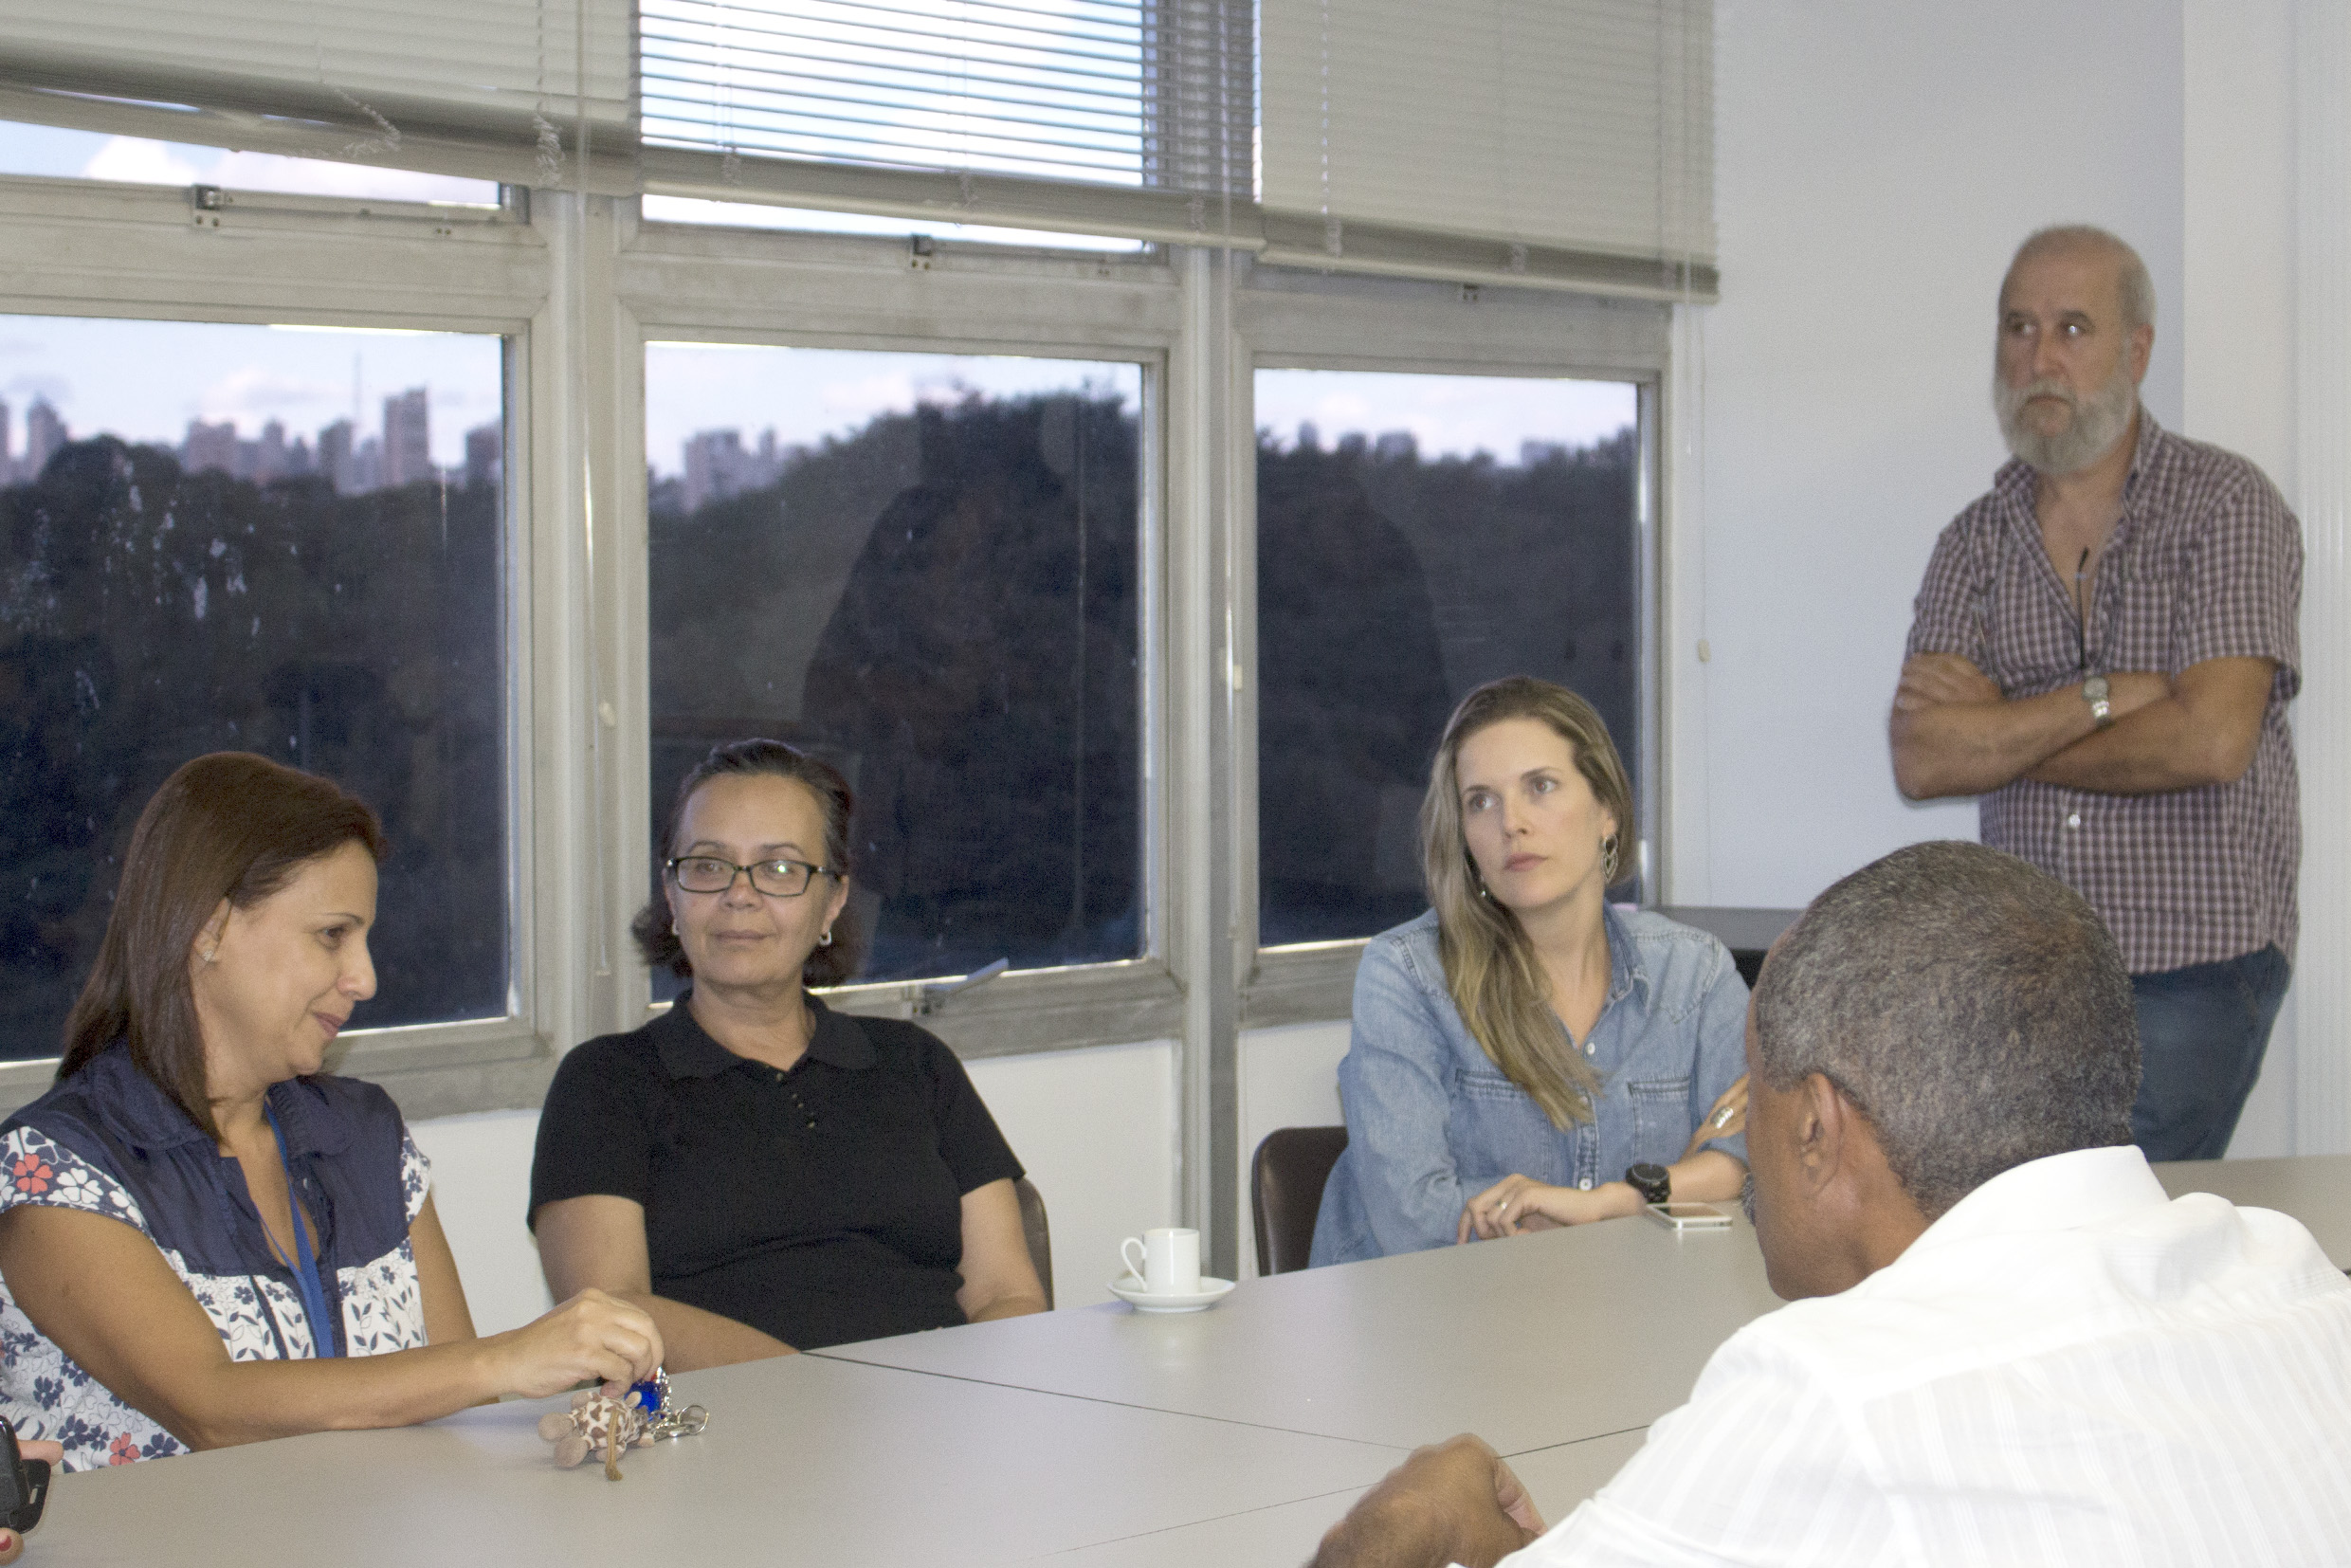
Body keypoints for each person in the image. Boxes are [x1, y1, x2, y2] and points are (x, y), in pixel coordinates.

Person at [1310, 841, 2351, 1567]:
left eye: (1746, 1092)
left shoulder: (1828, 1395)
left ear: (1814, 1126)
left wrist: (1406, 1516)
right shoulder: (2296, 1284)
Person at [0, 755, 663, 1473]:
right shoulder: (51, 1169)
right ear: (209, 928)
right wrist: (510, 1359)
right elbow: (210, 1408)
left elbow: (456, 1402)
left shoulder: (365, 1134)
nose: (366, 978)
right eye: (332, 935)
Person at [1891, 224, 2301, 1161]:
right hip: (2027, 967)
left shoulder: (2225, 507)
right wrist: (2102, 697)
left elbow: (2209, 742)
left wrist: (1999, 728)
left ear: (2136, 349)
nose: (2039, 357)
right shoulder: (1973, 540)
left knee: (2124, 1226)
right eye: (2017, 327)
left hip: (2191, 958)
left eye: (2072, 328)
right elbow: (1922, 756)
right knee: (2029, 1228)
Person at [530, 739, 1048, 1366]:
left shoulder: (915, 1063)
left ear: (832, 900)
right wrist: (822, 1393)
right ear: (672, 896)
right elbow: (612, 1312)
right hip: (722, 1434)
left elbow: (1005, 1293)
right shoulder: (606, 1082)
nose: (739, 895)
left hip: (932, 1418)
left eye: (779, 869)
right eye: (708, 865)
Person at [1310, 678, 1748, 1266]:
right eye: (1481, 801)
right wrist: (1671, 1189)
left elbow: (1754, 1166)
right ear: (1465, 838)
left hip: (1621, 1317)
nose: (1510, 822)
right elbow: (1414, 1217)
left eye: (1540, 787)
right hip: (1427, 1324)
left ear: (1607, 812)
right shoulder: (1408, 976)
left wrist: (1603, 1204)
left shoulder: (1693, 973)